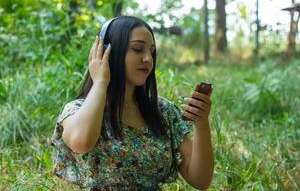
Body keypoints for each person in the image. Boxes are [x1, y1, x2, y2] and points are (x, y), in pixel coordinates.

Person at [50, 15, 214, 191]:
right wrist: (100, 82)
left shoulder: (163, 112)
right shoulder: (76, 110)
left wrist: (202, 123)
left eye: (151, 52)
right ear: (107, 52)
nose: (148, 59)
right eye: (137, 49)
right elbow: (81, 142)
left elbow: (200, 180)